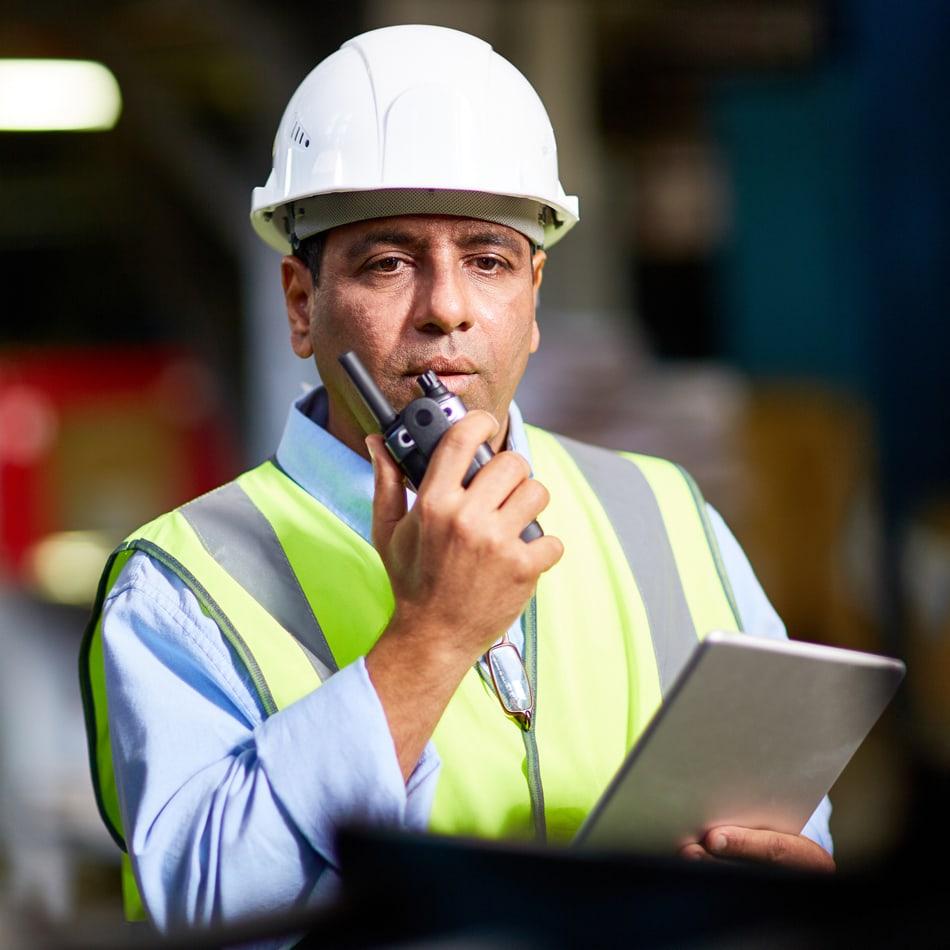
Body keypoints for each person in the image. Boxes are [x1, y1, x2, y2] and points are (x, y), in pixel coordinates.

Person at [79, 22, 835, 943]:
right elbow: (203, 916)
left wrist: (784, 885)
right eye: (389, 261)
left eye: (487, 259)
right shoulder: (182, 582)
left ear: (533, 298)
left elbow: (784, 823)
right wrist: (428, 642)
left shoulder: (665, 511)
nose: (446, 307)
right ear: (300, 304)